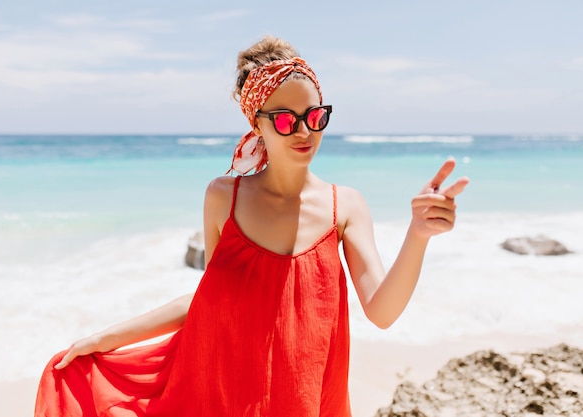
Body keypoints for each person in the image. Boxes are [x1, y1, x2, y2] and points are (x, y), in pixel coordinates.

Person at [35, 36, 469, 417]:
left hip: (309, 399)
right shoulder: (224, 197)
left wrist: (418, 234)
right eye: (285, 119)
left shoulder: (346, 206)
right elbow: (211, 300)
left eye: (315, 116)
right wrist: (105, 338)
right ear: (256, 122)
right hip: (227, 393)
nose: (304, 132)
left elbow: (383, 311)